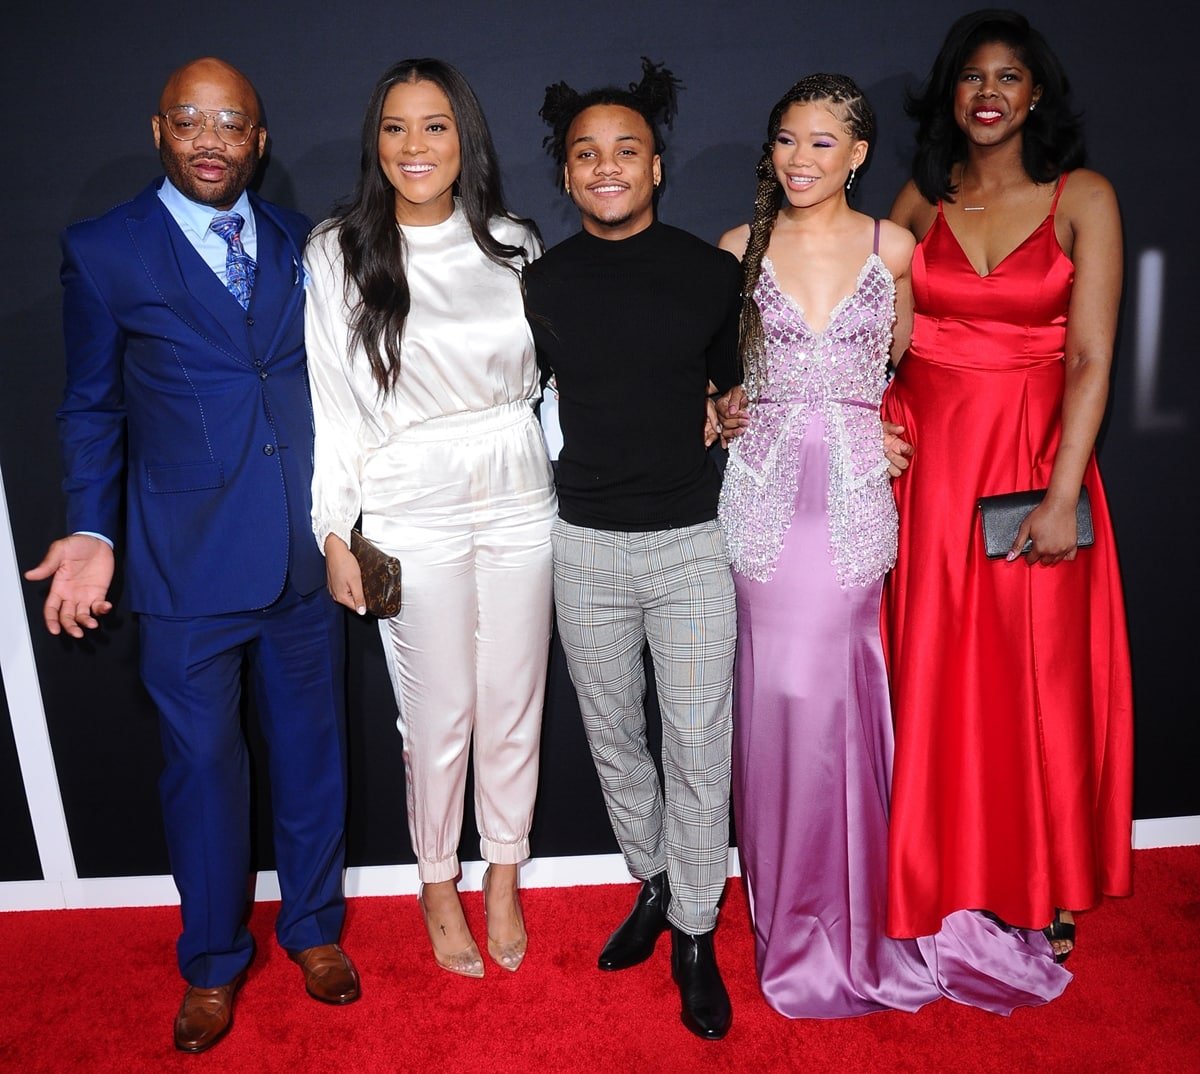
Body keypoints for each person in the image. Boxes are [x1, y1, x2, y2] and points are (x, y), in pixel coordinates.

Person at [24, 58, 359, 1053]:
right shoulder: (104, 249)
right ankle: (212, 962)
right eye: (190, 120)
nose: (211, 139)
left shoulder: (309, 242)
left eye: (232, 124)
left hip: (303, 560)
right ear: (160, 130)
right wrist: (92, 530)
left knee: (312, 757)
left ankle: (314, 932)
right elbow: (91, 406)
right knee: (201, 770)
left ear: (259, 140)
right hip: (181, 565)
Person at [717, 72, 1069, 1019]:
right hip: (763, 503)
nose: (800, 160)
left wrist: (880, 424)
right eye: (787, 140)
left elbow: (918, 367)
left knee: (845, 698)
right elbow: (712, 374)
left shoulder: (897, 247)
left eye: (823, 143)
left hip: (856, 508)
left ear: (860, 155)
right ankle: (791, 921)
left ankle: (870, 915)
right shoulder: (737, 250)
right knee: (777, 699)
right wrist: (721, 406)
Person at [882, 9, 1134, 962]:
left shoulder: (1084, 196)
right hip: (930, 473)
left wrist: (1065, 493)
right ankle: (935, 868)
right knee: (935, 673)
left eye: (1009, 78)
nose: (988, 94)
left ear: (1036, 95)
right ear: (951, 93)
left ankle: (1047, 882)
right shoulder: (919, 201)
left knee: (1037, 680)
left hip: (1035, 467)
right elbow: (855, 328)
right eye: (972, 77)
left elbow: (1094, 358)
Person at [305, 58, 555, 980]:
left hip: (520, 488)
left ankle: (503, 872)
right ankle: (438, 878)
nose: (417, 146)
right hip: (412, 497)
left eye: (436, 126)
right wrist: (336, 530)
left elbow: (544, 389)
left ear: (465, 139)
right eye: (397, 128)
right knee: (438, 711)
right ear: (376, 143)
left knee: (515, 701)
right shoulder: (337, 250)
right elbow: (333, 407)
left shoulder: (512, 241)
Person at [524, 60, 740, 1041]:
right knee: (616, 740)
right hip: (586, 548)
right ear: (566, 178)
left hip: (693, 543)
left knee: (697, 743)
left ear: (656, 165)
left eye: (625, 151)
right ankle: (652, 883)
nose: (606, 168)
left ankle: (696, 926)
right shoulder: (544, 283)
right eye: (585, 155)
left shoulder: (710, 272)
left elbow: (733, 395)